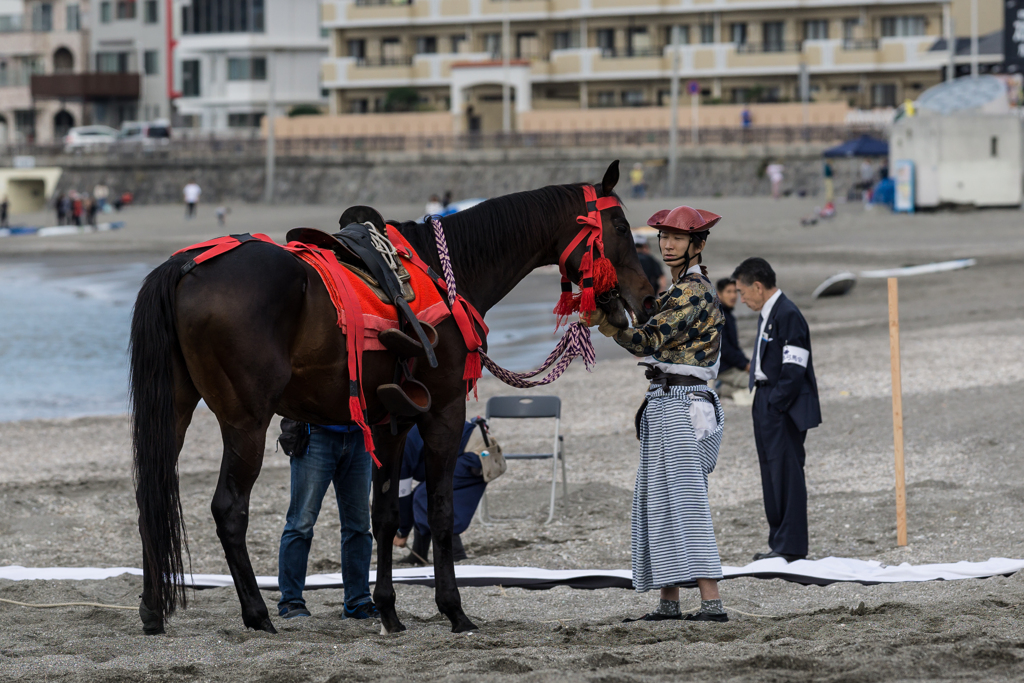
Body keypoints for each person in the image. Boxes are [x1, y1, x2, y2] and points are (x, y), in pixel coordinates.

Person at [590, 205, 729, 623]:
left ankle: (712, 604)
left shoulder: (692, 292)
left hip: (682, 403)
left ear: (697, 245)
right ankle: (670, 602)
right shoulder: (680, 289)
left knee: (685, 502)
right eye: (664, 236)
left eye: (677, 237)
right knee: (661, 500)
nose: (667, 244)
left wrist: (609, 323)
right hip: (669, 399)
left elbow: (648, 340)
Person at [732, 258, 821, 563]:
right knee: (771, 472)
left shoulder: (788, 313)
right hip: (764, 397)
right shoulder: (769, 312)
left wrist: (776, 404)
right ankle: (778, 542)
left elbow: (795, 367)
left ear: (758, 286)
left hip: (781, 404)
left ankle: (791, 546)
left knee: (787, 474)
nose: (742, 299)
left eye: (743, 292)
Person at [277, 423, 379, 620]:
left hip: (359, 435)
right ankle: (290, 601)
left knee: (359, 526)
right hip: (316, 433)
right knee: (301, 524)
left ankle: (357, 601)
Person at [393, 419, 501, 564]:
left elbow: (402, 496)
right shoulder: (397, 433)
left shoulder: (399, 449)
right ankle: (419, 554)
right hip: (465, 449)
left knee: (425, 498)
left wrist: (402, 532)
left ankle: (457, 556)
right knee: (421, 495)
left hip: (477, 456)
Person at [714, 278, 750, 402]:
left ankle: (722, 387)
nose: (733, 296)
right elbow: (725, 349)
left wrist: (746, 363)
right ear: (719, 294)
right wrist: (745, 365)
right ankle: (721, 388)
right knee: (758, 384)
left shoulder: (728, 315)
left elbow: (734, 347)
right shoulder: (717, 317)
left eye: (735, 292)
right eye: (728, 292)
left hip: (732, 366)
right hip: (725, 369)